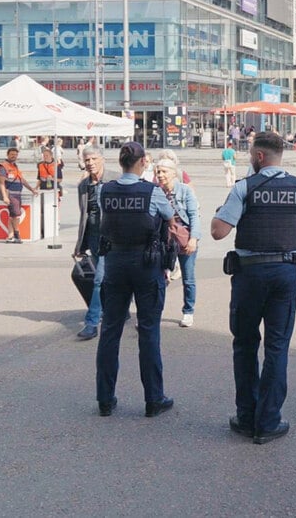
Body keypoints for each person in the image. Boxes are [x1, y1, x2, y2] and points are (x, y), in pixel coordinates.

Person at [211, 131, 296, 444]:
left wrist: (224, 211)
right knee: (277, 346)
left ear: (260, 157)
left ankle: (246, 418)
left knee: (245, 344)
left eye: (250, 153)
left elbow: (218, 232)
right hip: (286, 275)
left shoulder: (244, 188)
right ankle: (269, 421)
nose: (249, 157)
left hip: (249, 276)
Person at [95, 142, 177, 418]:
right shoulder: (152, 192)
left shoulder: (104, 189)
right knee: (149, 331)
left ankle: (105, 399)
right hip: (146, 264)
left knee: (110, 331)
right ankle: (154, 399)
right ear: (142, 162)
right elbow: (168, 216)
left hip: (115, 263)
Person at [74, 146, 115, 340]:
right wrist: (80, 245)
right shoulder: (83, 185)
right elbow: (84, 216)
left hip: (112, 238)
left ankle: (92, 322)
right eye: (87, 160)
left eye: (93, 159)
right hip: (92, 238)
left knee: (99, 279)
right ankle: (118, 309)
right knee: (105, 278)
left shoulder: (115, 180)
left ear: (102, 159)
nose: (90, 163)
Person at [155, 157, 201, 327]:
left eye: (164, 171)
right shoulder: (156, 191)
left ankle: (188, 311)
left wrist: (193, 239)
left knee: (188, 279)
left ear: (174, 173)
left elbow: (194, 215)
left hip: (184, 239)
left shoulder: (185, 191)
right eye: (158, 172)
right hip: (163, 241)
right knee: (158, 278)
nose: (160, 175)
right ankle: (155, 312)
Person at [0, 147, 38, 244]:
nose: (14, 156)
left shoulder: (14, 166)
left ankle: (10, 236)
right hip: (10, 194)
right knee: (16, 215)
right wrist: (5, 197)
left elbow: (22, 180)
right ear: (7, 155)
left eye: (15, 155)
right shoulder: (3, 166)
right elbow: (1, 183)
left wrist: (32, 189)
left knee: (13, 215)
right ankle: (17, 235)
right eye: (12, 154)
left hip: (17, 194)